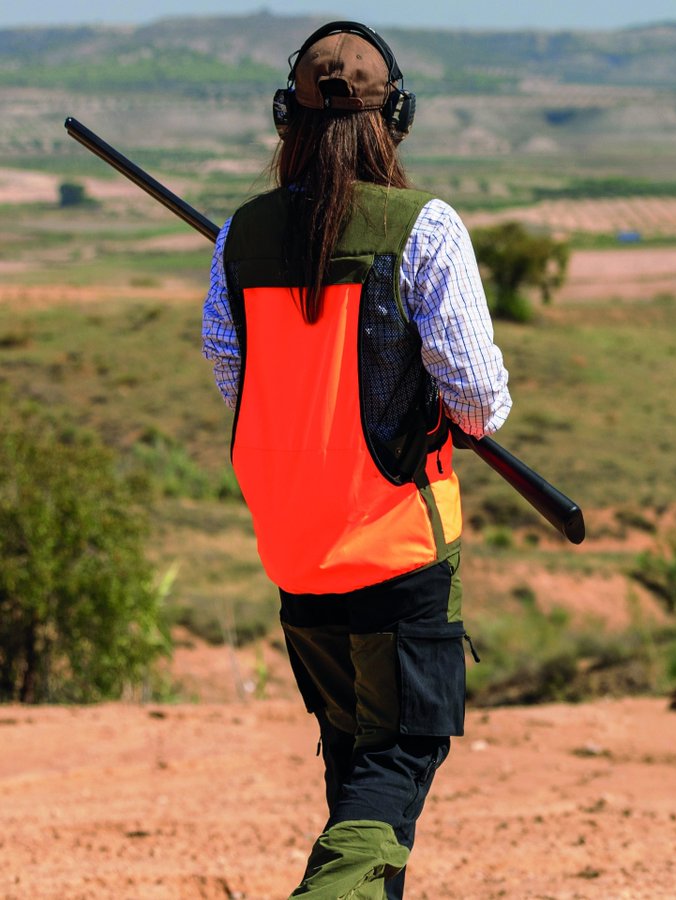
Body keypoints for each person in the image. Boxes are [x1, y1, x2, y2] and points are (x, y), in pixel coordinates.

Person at [201, 21, 511, 899]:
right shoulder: (427, 229)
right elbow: (480, 405)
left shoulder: (241, 237)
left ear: (284, 120)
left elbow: (236, 373)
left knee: (354, 771)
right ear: (396, 120)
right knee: (396, 761)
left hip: (296, 551)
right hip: (397, 549)